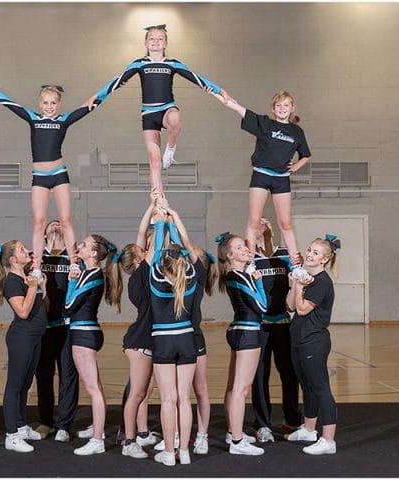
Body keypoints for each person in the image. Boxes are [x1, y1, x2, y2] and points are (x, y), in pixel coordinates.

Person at [90, 25, 228, 192]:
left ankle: (170, 149)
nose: (155, 42)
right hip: (149, 114)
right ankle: (158, 201)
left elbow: (196, 78)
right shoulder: (139, 63)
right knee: (155, 161)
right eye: (152, 39)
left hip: (167, 109)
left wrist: (218, 89)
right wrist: (96, 96)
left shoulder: (172, 63)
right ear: (146, 43)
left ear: (165, 44)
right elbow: (117, 81)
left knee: (175, 118)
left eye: (160, 38)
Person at [0, 84, 102, 283]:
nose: (49, 107)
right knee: (39, 222)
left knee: (66, 220)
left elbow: (88, 105)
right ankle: (37, 267)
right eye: (46, 103)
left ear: (59, 104)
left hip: (59, 173)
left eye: (53, 103)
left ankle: (74, 262)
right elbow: (8, 103)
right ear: (40, 104)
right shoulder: (33, 118)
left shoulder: (63, 121)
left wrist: (107, 90)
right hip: (39, 176)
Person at [208, 89, 311, 278]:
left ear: (292, 108)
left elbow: (306, 155)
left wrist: (295, 167)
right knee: (254, 221)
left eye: (286, 105)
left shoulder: (297, 131)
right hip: (261, 175)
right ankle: (250, 262)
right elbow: (239, 109)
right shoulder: (265, 123)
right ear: (273, 108)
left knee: (285, 223)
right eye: (278, 105)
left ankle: (296, 265)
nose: (282, 108)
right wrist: (220, 96)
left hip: (281, 179)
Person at [145, 207, 199, 466]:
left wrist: (159, 223)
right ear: (183, 261)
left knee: (168, 399)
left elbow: (157, 249)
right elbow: (179, 247)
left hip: (163, 340)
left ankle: (169, 452)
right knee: (184, 398)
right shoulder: (190, 276)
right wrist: (174, 219)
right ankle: (185, 452)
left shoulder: (155, 275)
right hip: (187, 338)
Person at [64, 234, 121, 456]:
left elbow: (68, 307)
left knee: (93, 389)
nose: (80, 246)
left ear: (94, 254)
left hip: (84, 333)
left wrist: (70, 280)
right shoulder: (89, 273)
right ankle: (98, 430)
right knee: (95, 386)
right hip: (86, 332)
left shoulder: (92, 275)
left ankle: (98, 440)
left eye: (84, 245)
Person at [115, 192, 160, 459]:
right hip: (140, 340)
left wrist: (151, 207)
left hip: (147, 338)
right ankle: (128, 440)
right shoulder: (142, 273)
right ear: (137, 260)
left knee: (146, 390)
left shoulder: (142, 271)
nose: (144, 248)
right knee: (138, 392)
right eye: (142, 251)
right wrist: (162, 216)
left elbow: (141, 235)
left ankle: (141, 432)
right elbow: (150, 241)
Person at [285, 235, 340, 455]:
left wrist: (298, 284)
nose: (309, 254)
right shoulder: (307, 277)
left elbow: (302, 310)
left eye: (316, 253)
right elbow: (289, 306)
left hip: (314, 342)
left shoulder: (322, 282)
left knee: (321, 389)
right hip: (298, 339)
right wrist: (296, 283)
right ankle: (309, 429)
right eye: (309, 249)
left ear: (325, 259)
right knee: (306, 386)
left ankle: (328, 440)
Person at [250, 218, 303, 442]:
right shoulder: (250, 258)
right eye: (257, 222)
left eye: (266, 221)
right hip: (260, 326)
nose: (262, 223)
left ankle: (292, 420)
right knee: (260, 376)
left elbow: (299, 275)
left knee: (290, 375)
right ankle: (262, 425)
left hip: (283, 324)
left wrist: (272, 237)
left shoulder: (284, 254)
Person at [0, 240, 48, 453]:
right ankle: (11, 435)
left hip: (35, 336)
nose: (27, 251)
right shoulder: (13, 281)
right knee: (14, 386)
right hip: (21, 338)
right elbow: (23, 312)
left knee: (25, 384)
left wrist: (41, 285)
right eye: (22, 250)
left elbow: (43, 306)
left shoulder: (27, 278)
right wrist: (33, 287)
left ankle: (21, 426)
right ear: (13, 260)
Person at [216, 232, 267, 456]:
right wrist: (259, 282)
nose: (245, 249)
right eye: (240, 247)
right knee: (241, 389)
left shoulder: (232, 275)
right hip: (248, 333)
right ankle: (237, 442)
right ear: (230, 255)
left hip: (238, 330)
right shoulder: (242, 276)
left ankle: (231, 431)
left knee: (232, 386)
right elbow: (262, 307)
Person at [34, 220, 79, 442]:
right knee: (43, 375)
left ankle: (64, 424)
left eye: (58, 224)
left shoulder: (74, 257)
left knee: (68, 375)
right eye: (51, 225)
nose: (55, 226)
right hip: (43, 326)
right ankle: (46, 421)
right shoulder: (37, 258)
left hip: (67, 325)